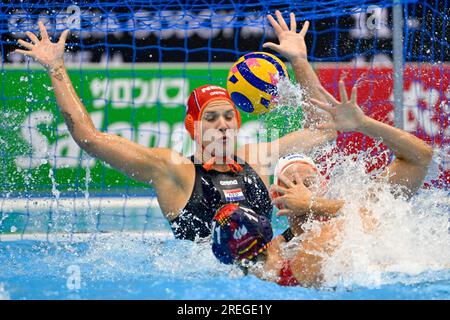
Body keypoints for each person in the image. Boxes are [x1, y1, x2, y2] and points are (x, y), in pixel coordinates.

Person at [15, 11, 336, 240]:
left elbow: (324, 131)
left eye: (228, 116)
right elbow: (89, 138)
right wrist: (56, 67)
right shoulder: (172, 170)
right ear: (193, 127)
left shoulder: (255, 157)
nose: (222, 124)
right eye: (211, 118)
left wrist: (299, 61)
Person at [211, 79, 433, 287]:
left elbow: (421, 157)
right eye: (290, 183)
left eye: (308, 182)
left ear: (323, 186)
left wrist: (363, 124)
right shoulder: (279, 252)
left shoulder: (364, 204)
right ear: (277, 198)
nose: (301, 190)